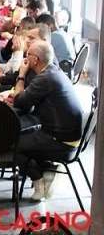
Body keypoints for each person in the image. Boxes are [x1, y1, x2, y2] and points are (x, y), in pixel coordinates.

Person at [12, 41, 83, 201]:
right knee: (25, 134)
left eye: (28, 54)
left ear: (35, 60)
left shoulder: (45, 78)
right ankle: (48, 169)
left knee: (12, 144)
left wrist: (21, 74)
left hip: (60, 141)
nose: (25, 57)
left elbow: (19, 102)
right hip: (69, 136)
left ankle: (39, 180)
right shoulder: (54, 72)